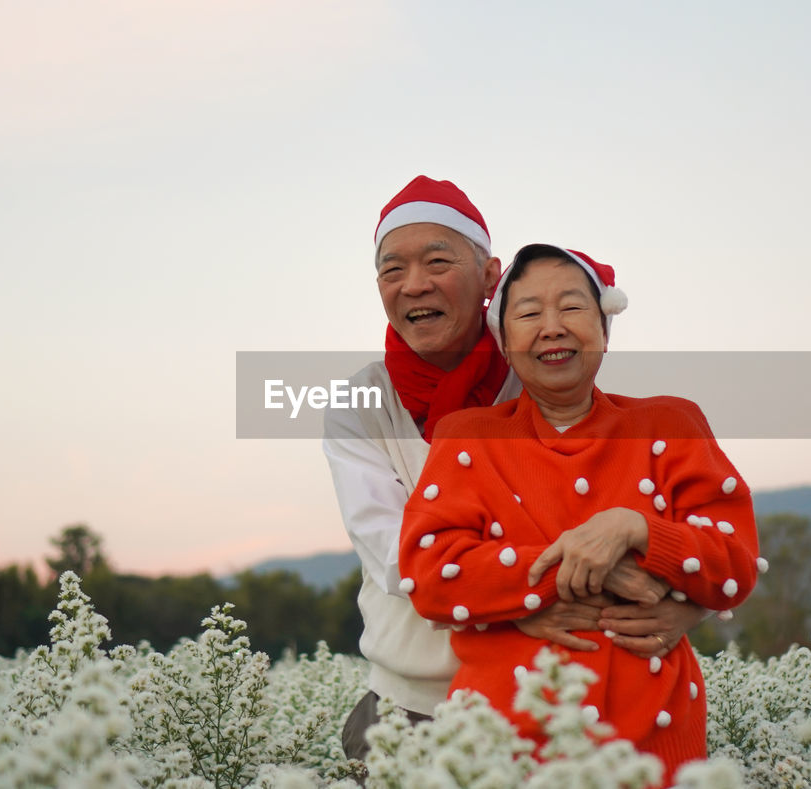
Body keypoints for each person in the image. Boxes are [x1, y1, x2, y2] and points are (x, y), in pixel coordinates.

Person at [322, 177, 707, 761]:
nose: (415, 283)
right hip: (414, 706)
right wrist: (542, 594)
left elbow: (619, 500)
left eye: (437, 261)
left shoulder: (538, 369)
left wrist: (689, 599)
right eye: (392, 269)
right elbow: (402, 554)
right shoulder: (361, 402)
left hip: (552, 698)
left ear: (490, 274)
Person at [397, 244, 762, 784]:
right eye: (527, 314)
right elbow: (429, 574)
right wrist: (582, 568)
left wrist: (632, 527)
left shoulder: (669, 421)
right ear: (505, 340)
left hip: (656, 741)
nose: (552, 328)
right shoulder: (469, 435)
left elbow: (736, 561)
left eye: (571, 308)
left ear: (605, 330)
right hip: (504, 739)